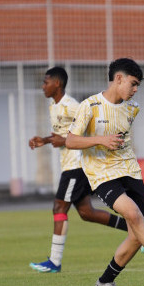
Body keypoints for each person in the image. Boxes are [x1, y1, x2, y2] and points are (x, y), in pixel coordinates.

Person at [65, 58, 144, 286]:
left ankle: (105, 282)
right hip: (102, 174)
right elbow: (70, 141)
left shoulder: (133, 108)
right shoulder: (90, 106)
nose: (135, 90)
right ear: (118, 78)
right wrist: (100, 139)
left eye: (138, 85)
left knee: (138, 234)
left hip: (130, 170)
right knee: (133, 214)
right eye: (133, 83)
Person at [28, 66, 129, 273]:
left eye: (46, 82)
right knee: (86, 212)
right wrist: (46, 140)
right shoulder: (53, 107)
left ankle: (54, 262)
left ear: (57, 84)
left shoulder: (72, 105)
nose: (43, 86)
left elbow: (92, 127)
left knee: (59, 207)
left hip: (77, 165)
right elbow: (64, 135)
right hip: (69, 165)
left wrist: (65, 140)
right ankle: (134, 229)